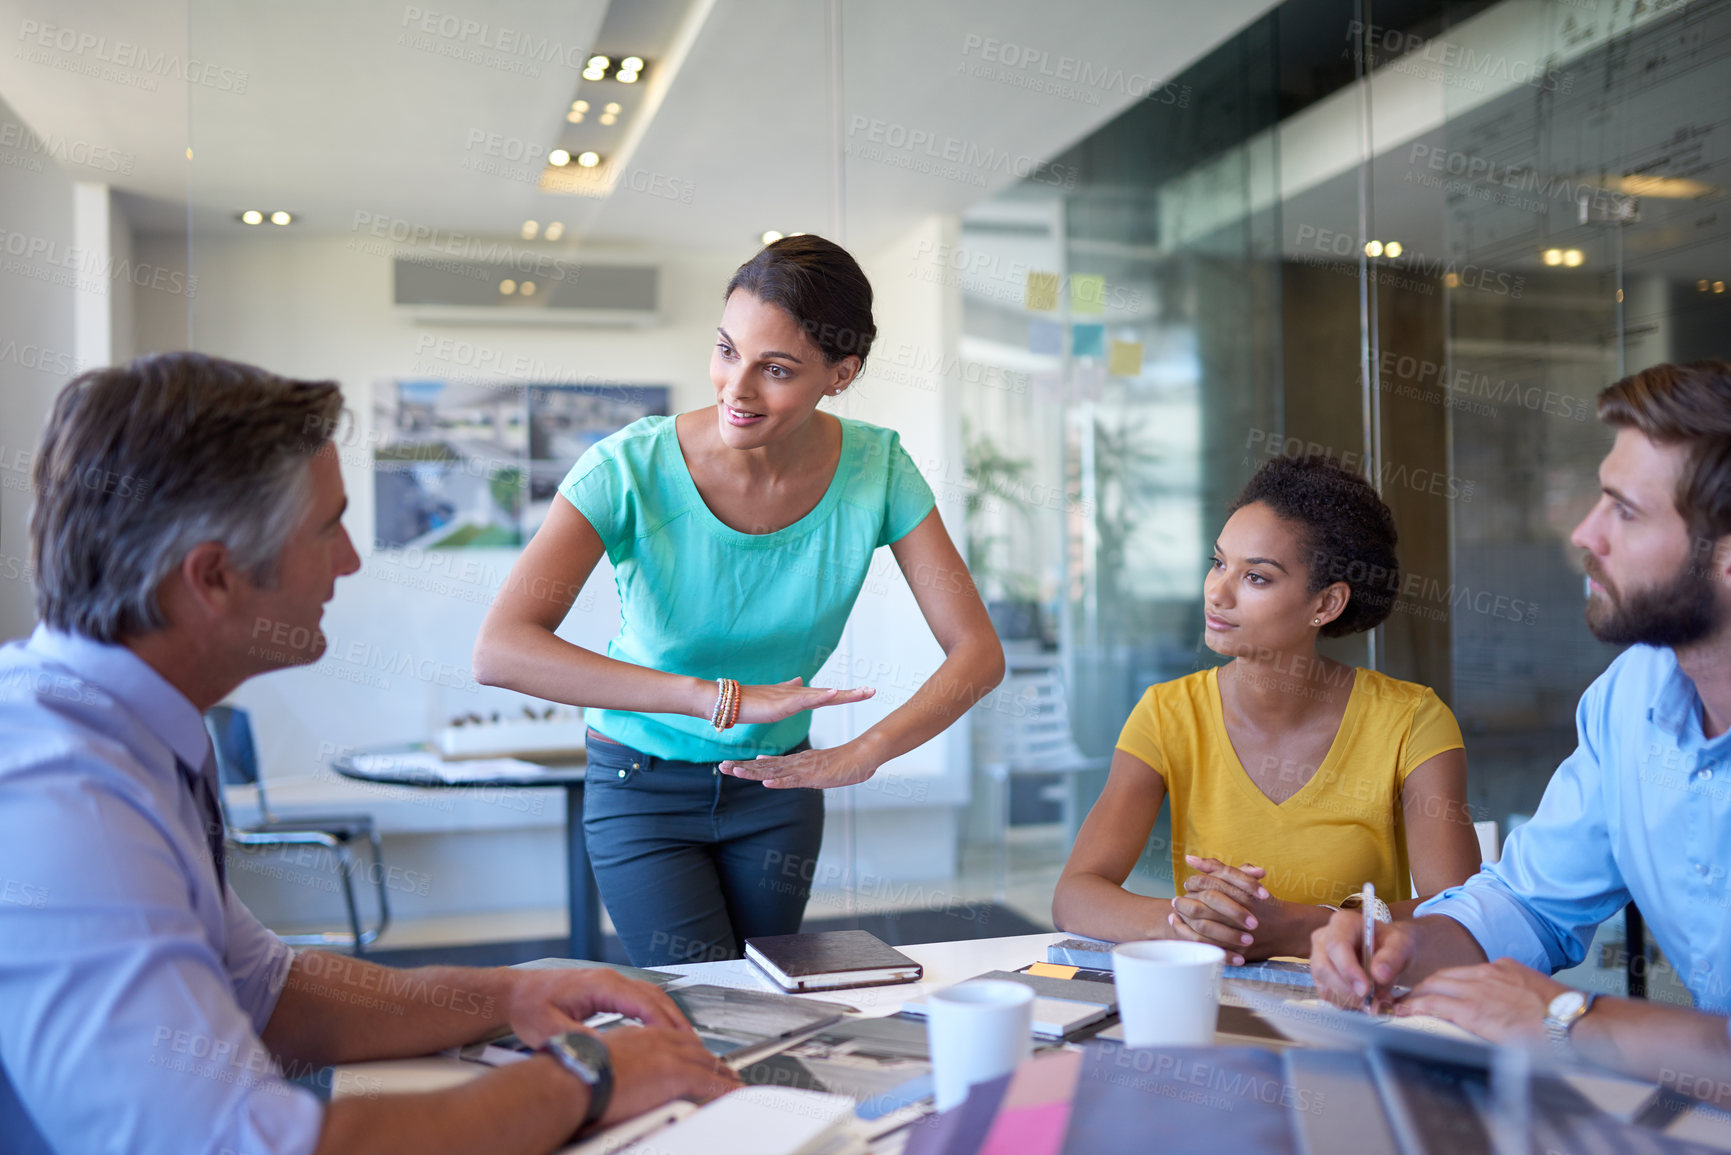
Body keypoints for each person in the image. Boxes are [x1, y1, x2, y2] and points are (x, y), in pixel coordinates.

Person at [0, 353, 738, 1155]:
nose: (349, 559)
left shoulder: (131, 731)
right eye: (326, 527)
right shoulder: (62, 799)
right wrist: (584, 1077)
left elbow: (271, 991)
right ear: (212, 576)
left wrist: (517, 988)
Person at [474, 235, 1004, 966]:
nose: (736, 389)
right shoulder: (627, 467)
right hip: (641, 785)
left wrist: (866, 750)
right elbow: (500, 648)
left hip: (778, 789)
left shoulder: (878, 469)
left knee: (768, 1009)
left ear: (839, 374)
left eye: (776, 369)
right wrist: (715, 698)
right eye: (727, 351)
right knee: (705, 1005)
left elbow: (978, 651)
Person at [1311, 360, 1731, 1098]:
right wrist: (1401, 945)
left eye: (1623, 512)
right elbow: (1529, 900)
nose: (1583, 533)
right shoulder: (1629, 695)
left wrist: (1568, 1016)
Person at [1053, 454, 1482, 964]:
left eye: (1256, 577)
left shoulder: (1412, 721)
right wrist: (1192, 924)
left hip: (1354, 1013)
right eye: (1218, 563)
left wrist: (1305, 928)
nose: (1218, 591)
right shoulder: (1166, 714)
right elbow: (1075, 894)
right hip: (1216, 1007)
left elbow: (1464, 915)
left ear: (1326, 604)